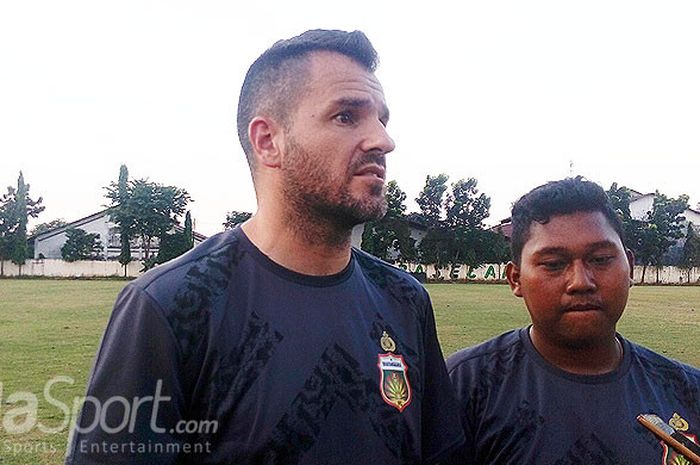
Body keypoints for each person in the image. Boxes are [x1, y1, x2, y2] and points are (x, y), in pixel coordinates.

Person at [65, 29, 464, 465]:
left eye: (382, 120)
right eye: (347, 116)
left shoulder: (404, 298)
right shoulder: (173, 304)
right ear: (268, 141)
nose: (383, 140)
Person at [446, 177, 700, 465]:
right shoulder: (465, 386)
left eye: (601, 259)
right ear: (515, 278)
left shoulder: (687, 390)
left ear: (629, 266)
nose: (581, 282)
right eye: (553, 264)